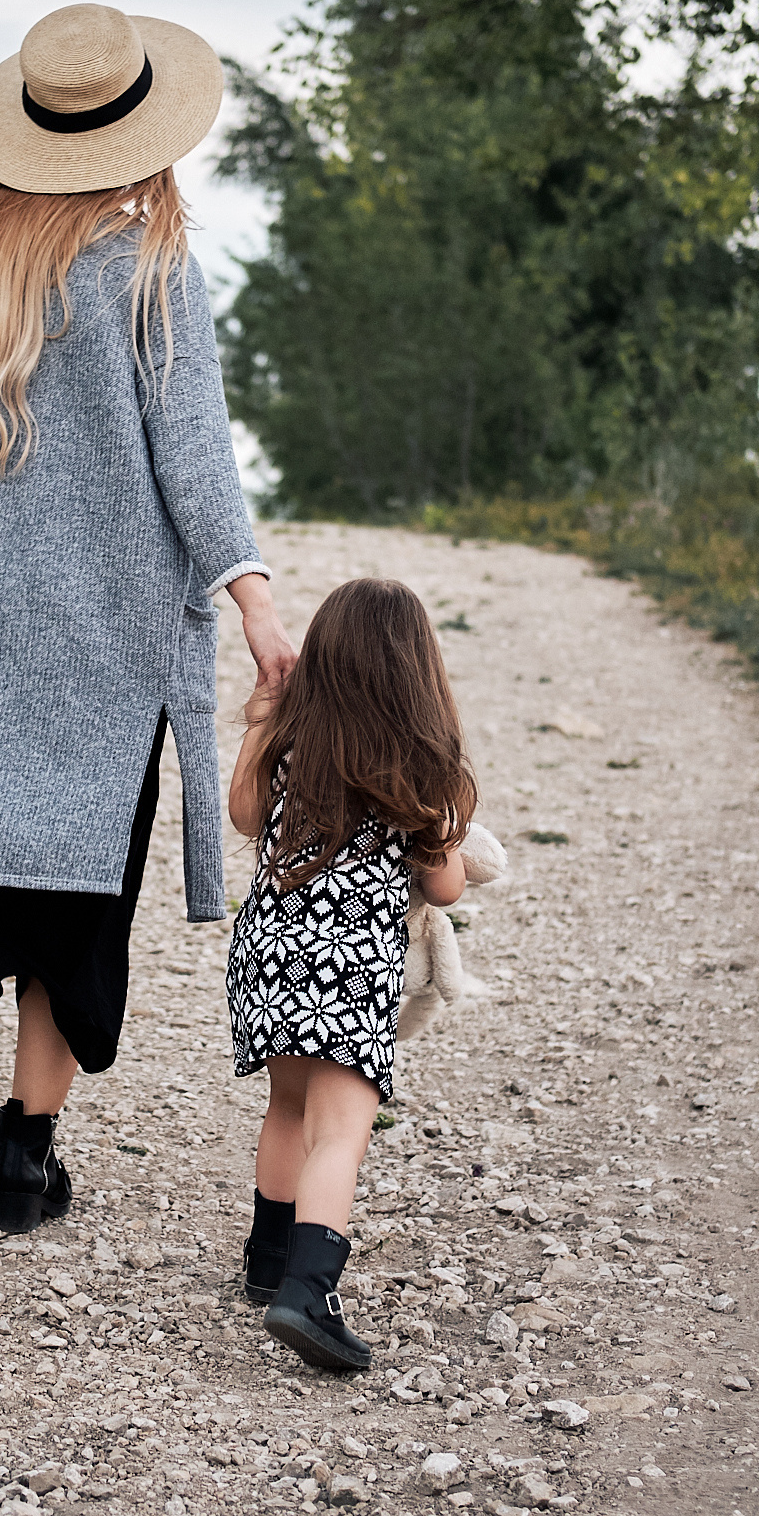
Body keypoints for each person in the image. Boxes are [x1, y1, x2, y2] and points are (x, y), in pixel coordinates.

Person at [0, 2, 297, 1235]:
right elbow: (194, 458)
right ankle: (20, 1162)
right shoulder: (149, 270)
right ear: (144, 137)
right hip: (96, 637)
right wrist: (253, 602)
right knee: (76, 897)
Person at [223, 578, 475, 1370]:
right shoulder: (416, 766)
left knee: (287, 1106)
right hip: (347, 967)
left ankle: (269, 1258)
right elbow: (443, 886)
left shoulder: (294, 742)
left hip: (267, 953)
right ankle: (311, 1290)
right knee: (341, 1131)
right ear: (418, 676)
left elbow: (240, 812)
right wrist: (452, 841)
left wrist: (265, 712)